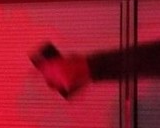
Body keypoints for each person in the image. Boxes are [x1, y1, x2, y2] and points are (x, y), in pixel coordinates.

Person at [31, 40, 160, 98]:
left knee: (139, 62)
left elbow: (69, 87)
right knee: (138, 59)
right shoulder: (56, 68)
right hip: (96, 67)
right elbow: (70, 86)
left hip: (97, 69)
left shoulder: (57, 71)